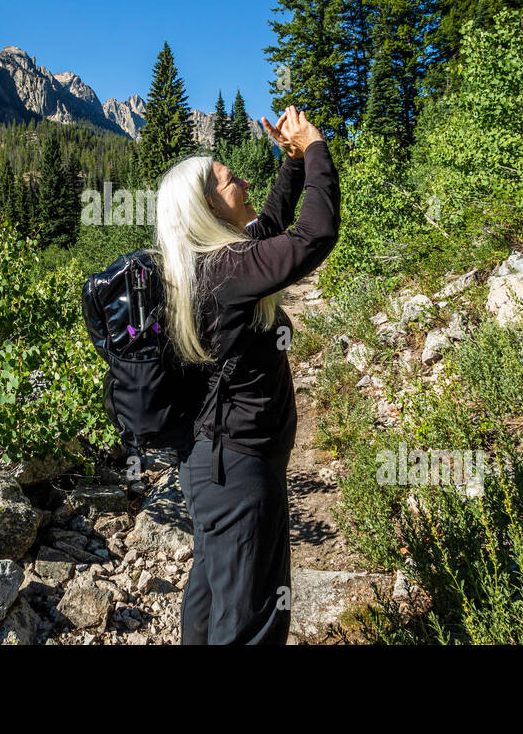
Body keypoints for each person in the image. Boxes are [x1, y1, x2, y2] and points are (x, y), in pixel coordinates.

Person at [153, 105, 341, 645]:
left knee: (215, 597)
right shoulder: (228, 269)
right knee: (250, 622)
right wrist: (319, 148)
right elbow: (313, 236)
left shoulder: (206, 265)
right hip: (237, 472)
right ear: (207, 205)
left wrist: (295, 163)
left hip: (213, 467)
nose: (243, 182)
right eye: (231, 180)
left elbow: (274, 224)